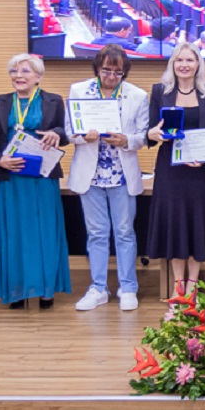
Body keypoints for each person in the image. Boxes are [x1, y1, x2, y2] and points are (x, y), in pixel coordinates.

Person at [66, 45, 150, 311]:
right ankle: (98, 288)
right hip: (90, 175)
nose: (112, 76)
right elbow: (70, 132)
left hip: (121, 173)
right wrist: (82, 136)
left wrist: (127, 140)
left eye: (118, 72)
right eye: (106, 71)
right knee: (96, 233)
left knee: (125, 232)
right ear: (97, 68)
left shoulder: (137, 95)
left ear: (125, 71)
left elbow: (144, 136)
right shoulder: (79, 91)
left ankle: (128, 287)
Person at [0, 53, 71, 309]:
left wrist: (56, 134)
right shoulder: (0, 102)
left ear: (38, 77)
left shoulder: (53, 101)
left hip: (41, 177)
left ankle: (46, 290)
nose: (18, 76)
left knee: (44, 231)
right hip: (11, 178)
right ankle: (17, 290)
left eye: (25, 71)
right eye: (14, 71)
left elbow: (65, 132)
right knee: (15, 233)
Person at [147, 43, 205, 295]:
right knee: (175, 223)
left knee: (197, 223)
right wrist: (153, 133)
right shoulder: (161, 91)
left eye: (189, 60)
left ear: (198, 64)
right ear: (172, 63)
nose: (184, 65)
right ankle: (177, 284)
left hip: (200, 170)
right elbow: (150, 131)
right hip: (171, 171)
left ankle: (193, 283)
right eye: (179, 60)